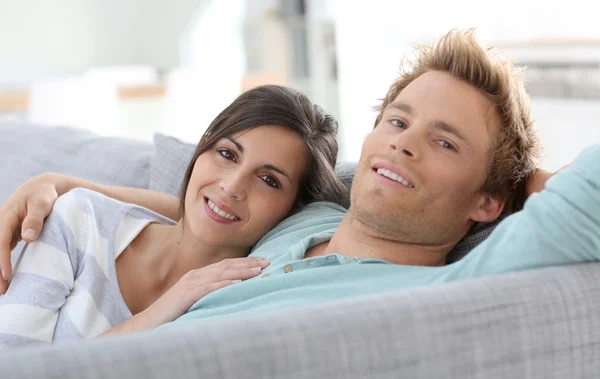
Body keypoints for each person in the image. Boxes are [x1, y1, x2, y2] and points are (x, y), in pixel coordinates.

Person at [2, 29, 599, 331]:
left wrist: (529, 183)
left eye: (444, 141)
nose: (404, 142)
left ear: (487, 201)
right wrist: (58, 182)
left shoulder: (450, 287)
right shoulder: (311, 217)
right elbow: (211, 206)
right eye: (397, 120)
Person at [0, 85, 347, 347]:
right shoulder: (78, 219)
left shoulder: (243, 301)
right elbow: (15, 376)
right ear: (202, 148)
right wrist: (157, 314)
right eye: (227, 154)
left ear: (294, 209)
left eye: (269, 180)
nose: (232, 186)